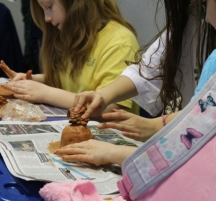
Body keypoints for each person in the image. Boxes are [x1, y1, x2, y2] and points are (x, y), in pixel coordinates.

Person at [55, 0, 216, 166]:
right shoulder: (193, 22)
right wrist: (103, 95)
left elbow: (201, 122)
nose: (207, 18)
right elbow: (150, 70)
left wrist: (153, 128)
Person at [0, 0, 140, 115]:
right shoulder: (71, 35)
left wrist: (46, 93)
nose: (47, 18)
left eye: (49, 7)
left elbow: (112, 108)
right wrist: (35, 81)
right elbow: (71, 79)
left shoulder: (120, 42)